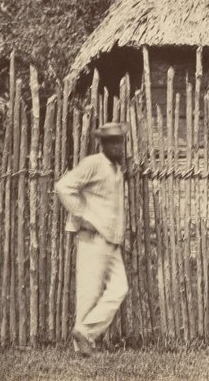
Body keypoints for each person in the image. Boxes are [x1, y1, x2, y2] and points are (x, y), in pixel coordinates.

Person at [54, 122, 129, 357]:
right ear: (102, 143)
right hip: (92, 238)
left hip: (112, 240)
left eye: (119, 141)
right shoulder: (93, 163)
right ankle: (81, 350)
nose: (117, 145)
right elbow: (63, 186)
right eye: (112, 141)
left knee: (120, 289)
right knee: (88, 294)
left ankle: (85, 332)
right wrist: (81, 215)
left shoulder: (116, 168)